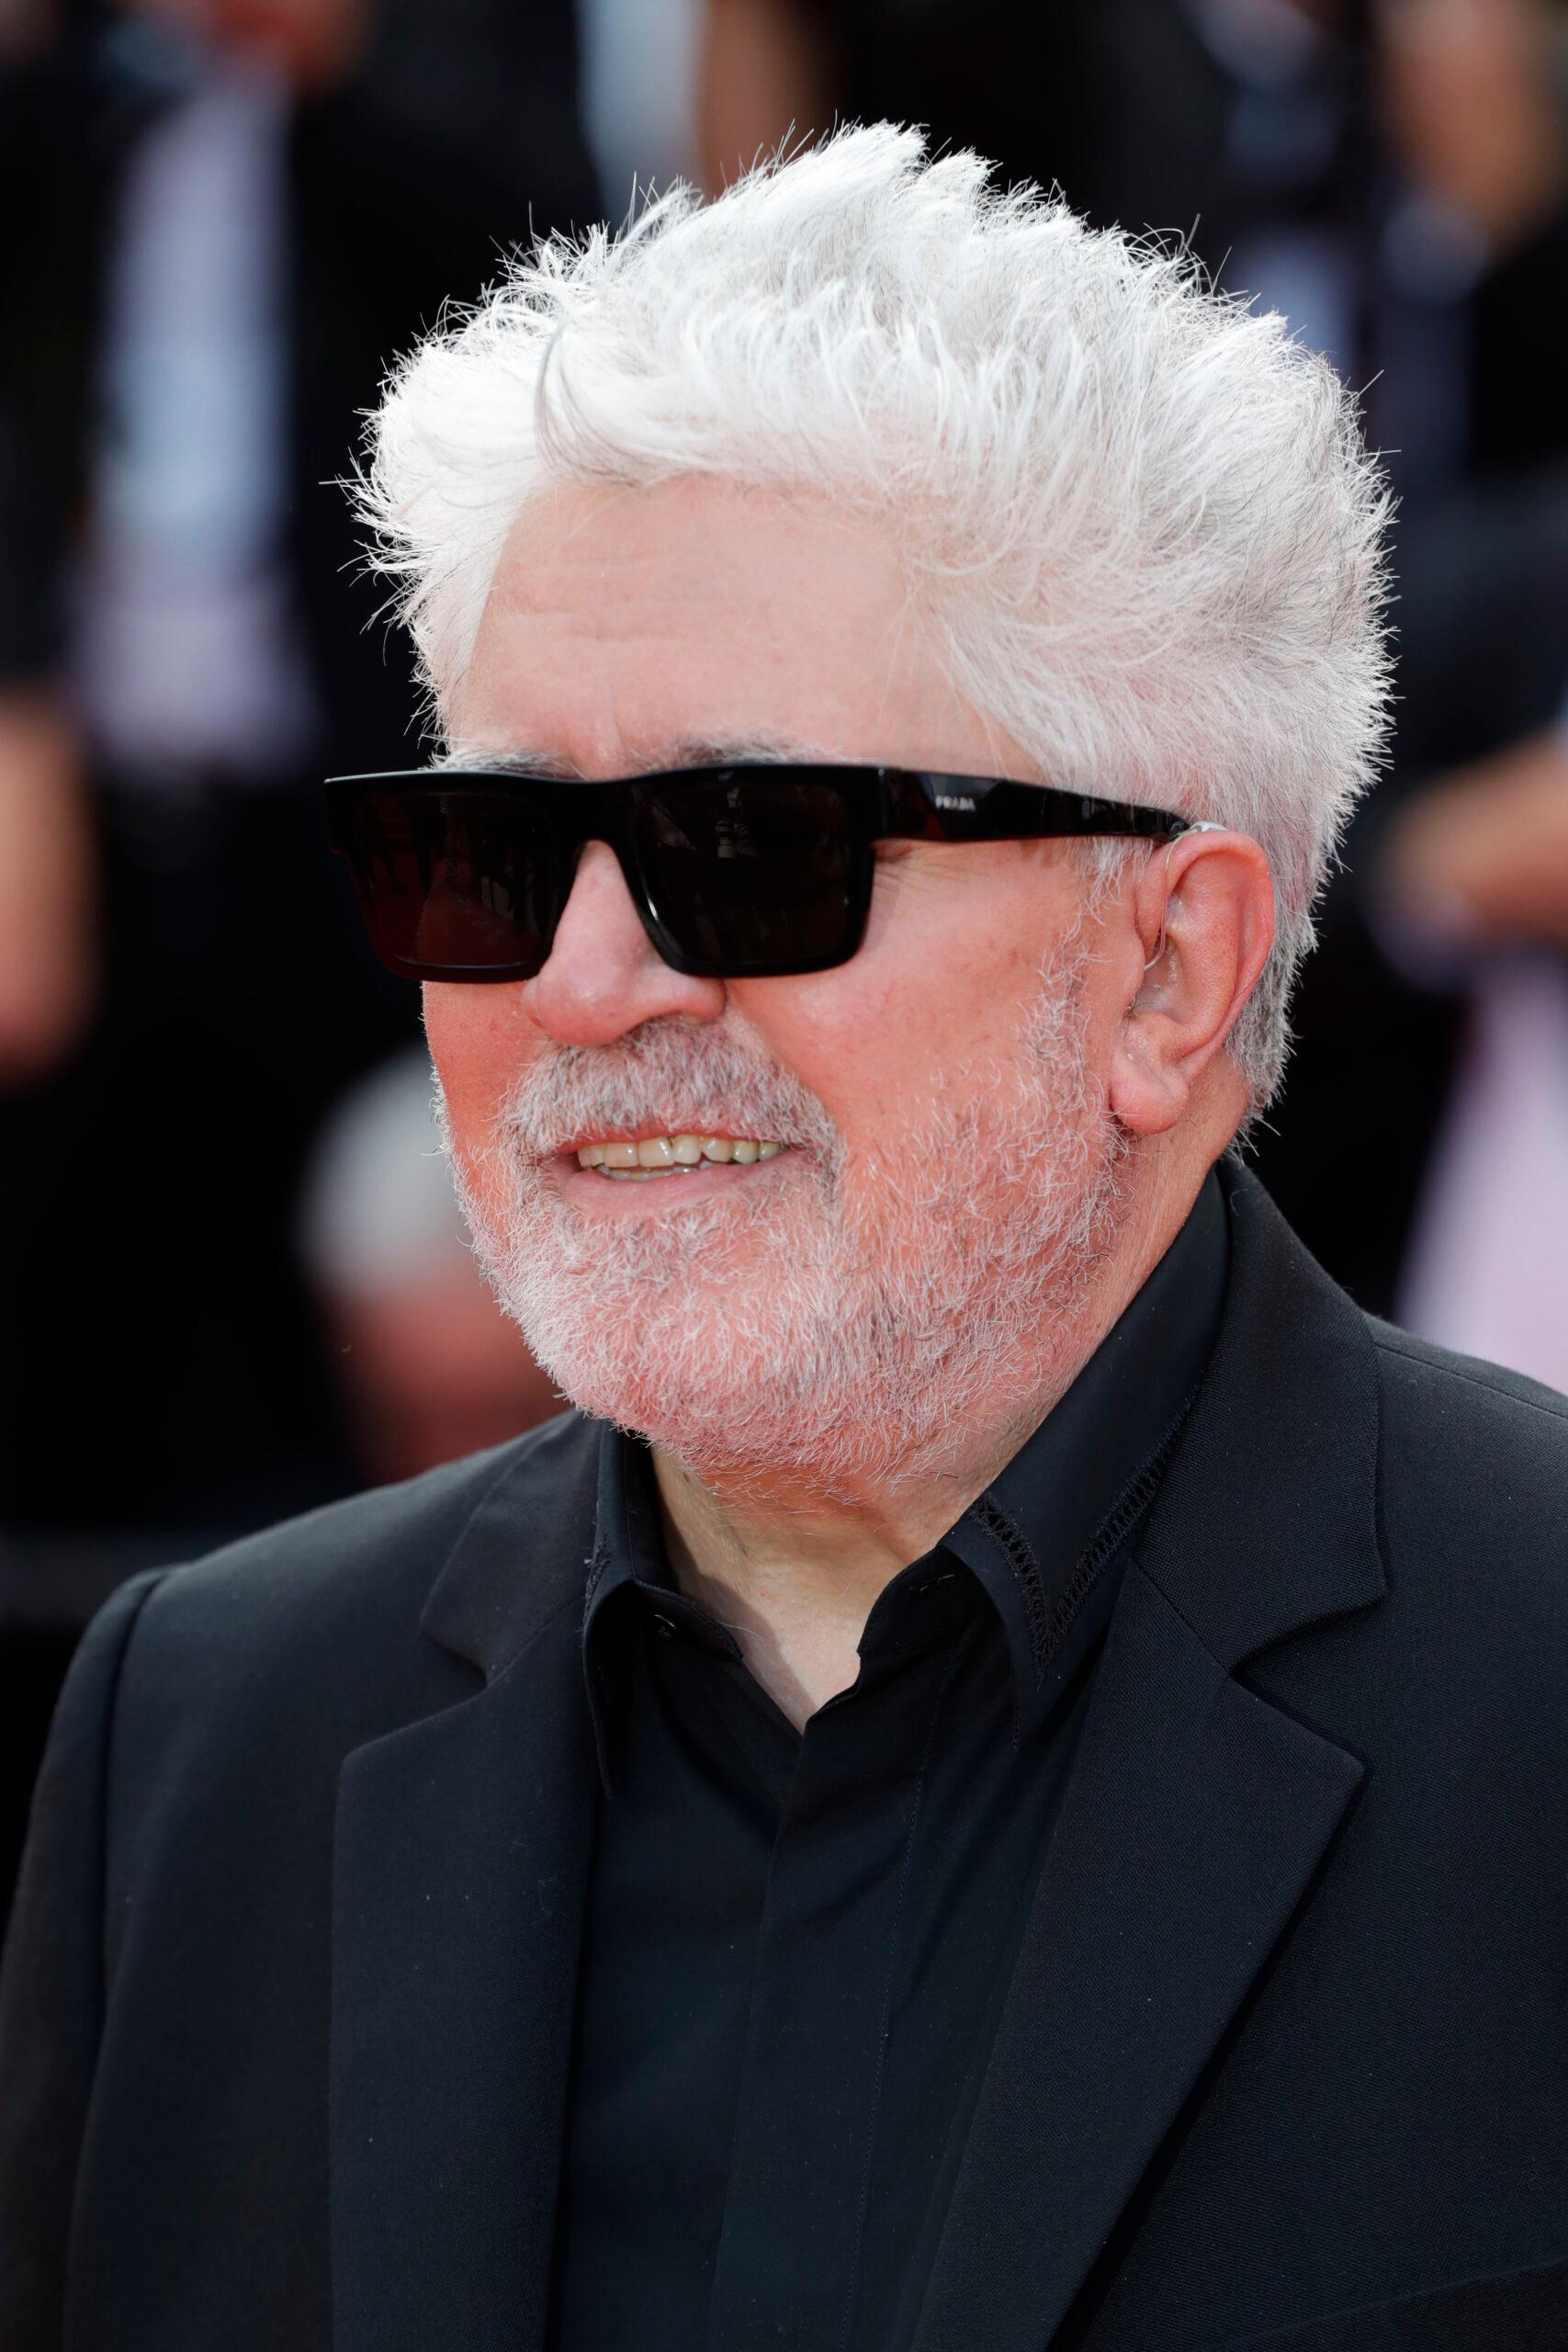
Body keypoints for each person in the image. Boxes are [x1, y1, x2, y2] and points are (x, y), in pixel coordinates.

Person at [4, 126, 1567, 2352]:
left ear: (1164, 967)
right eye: (488, 847)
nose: (581, 980)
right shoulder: (205, 1735)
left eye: (750, 846)